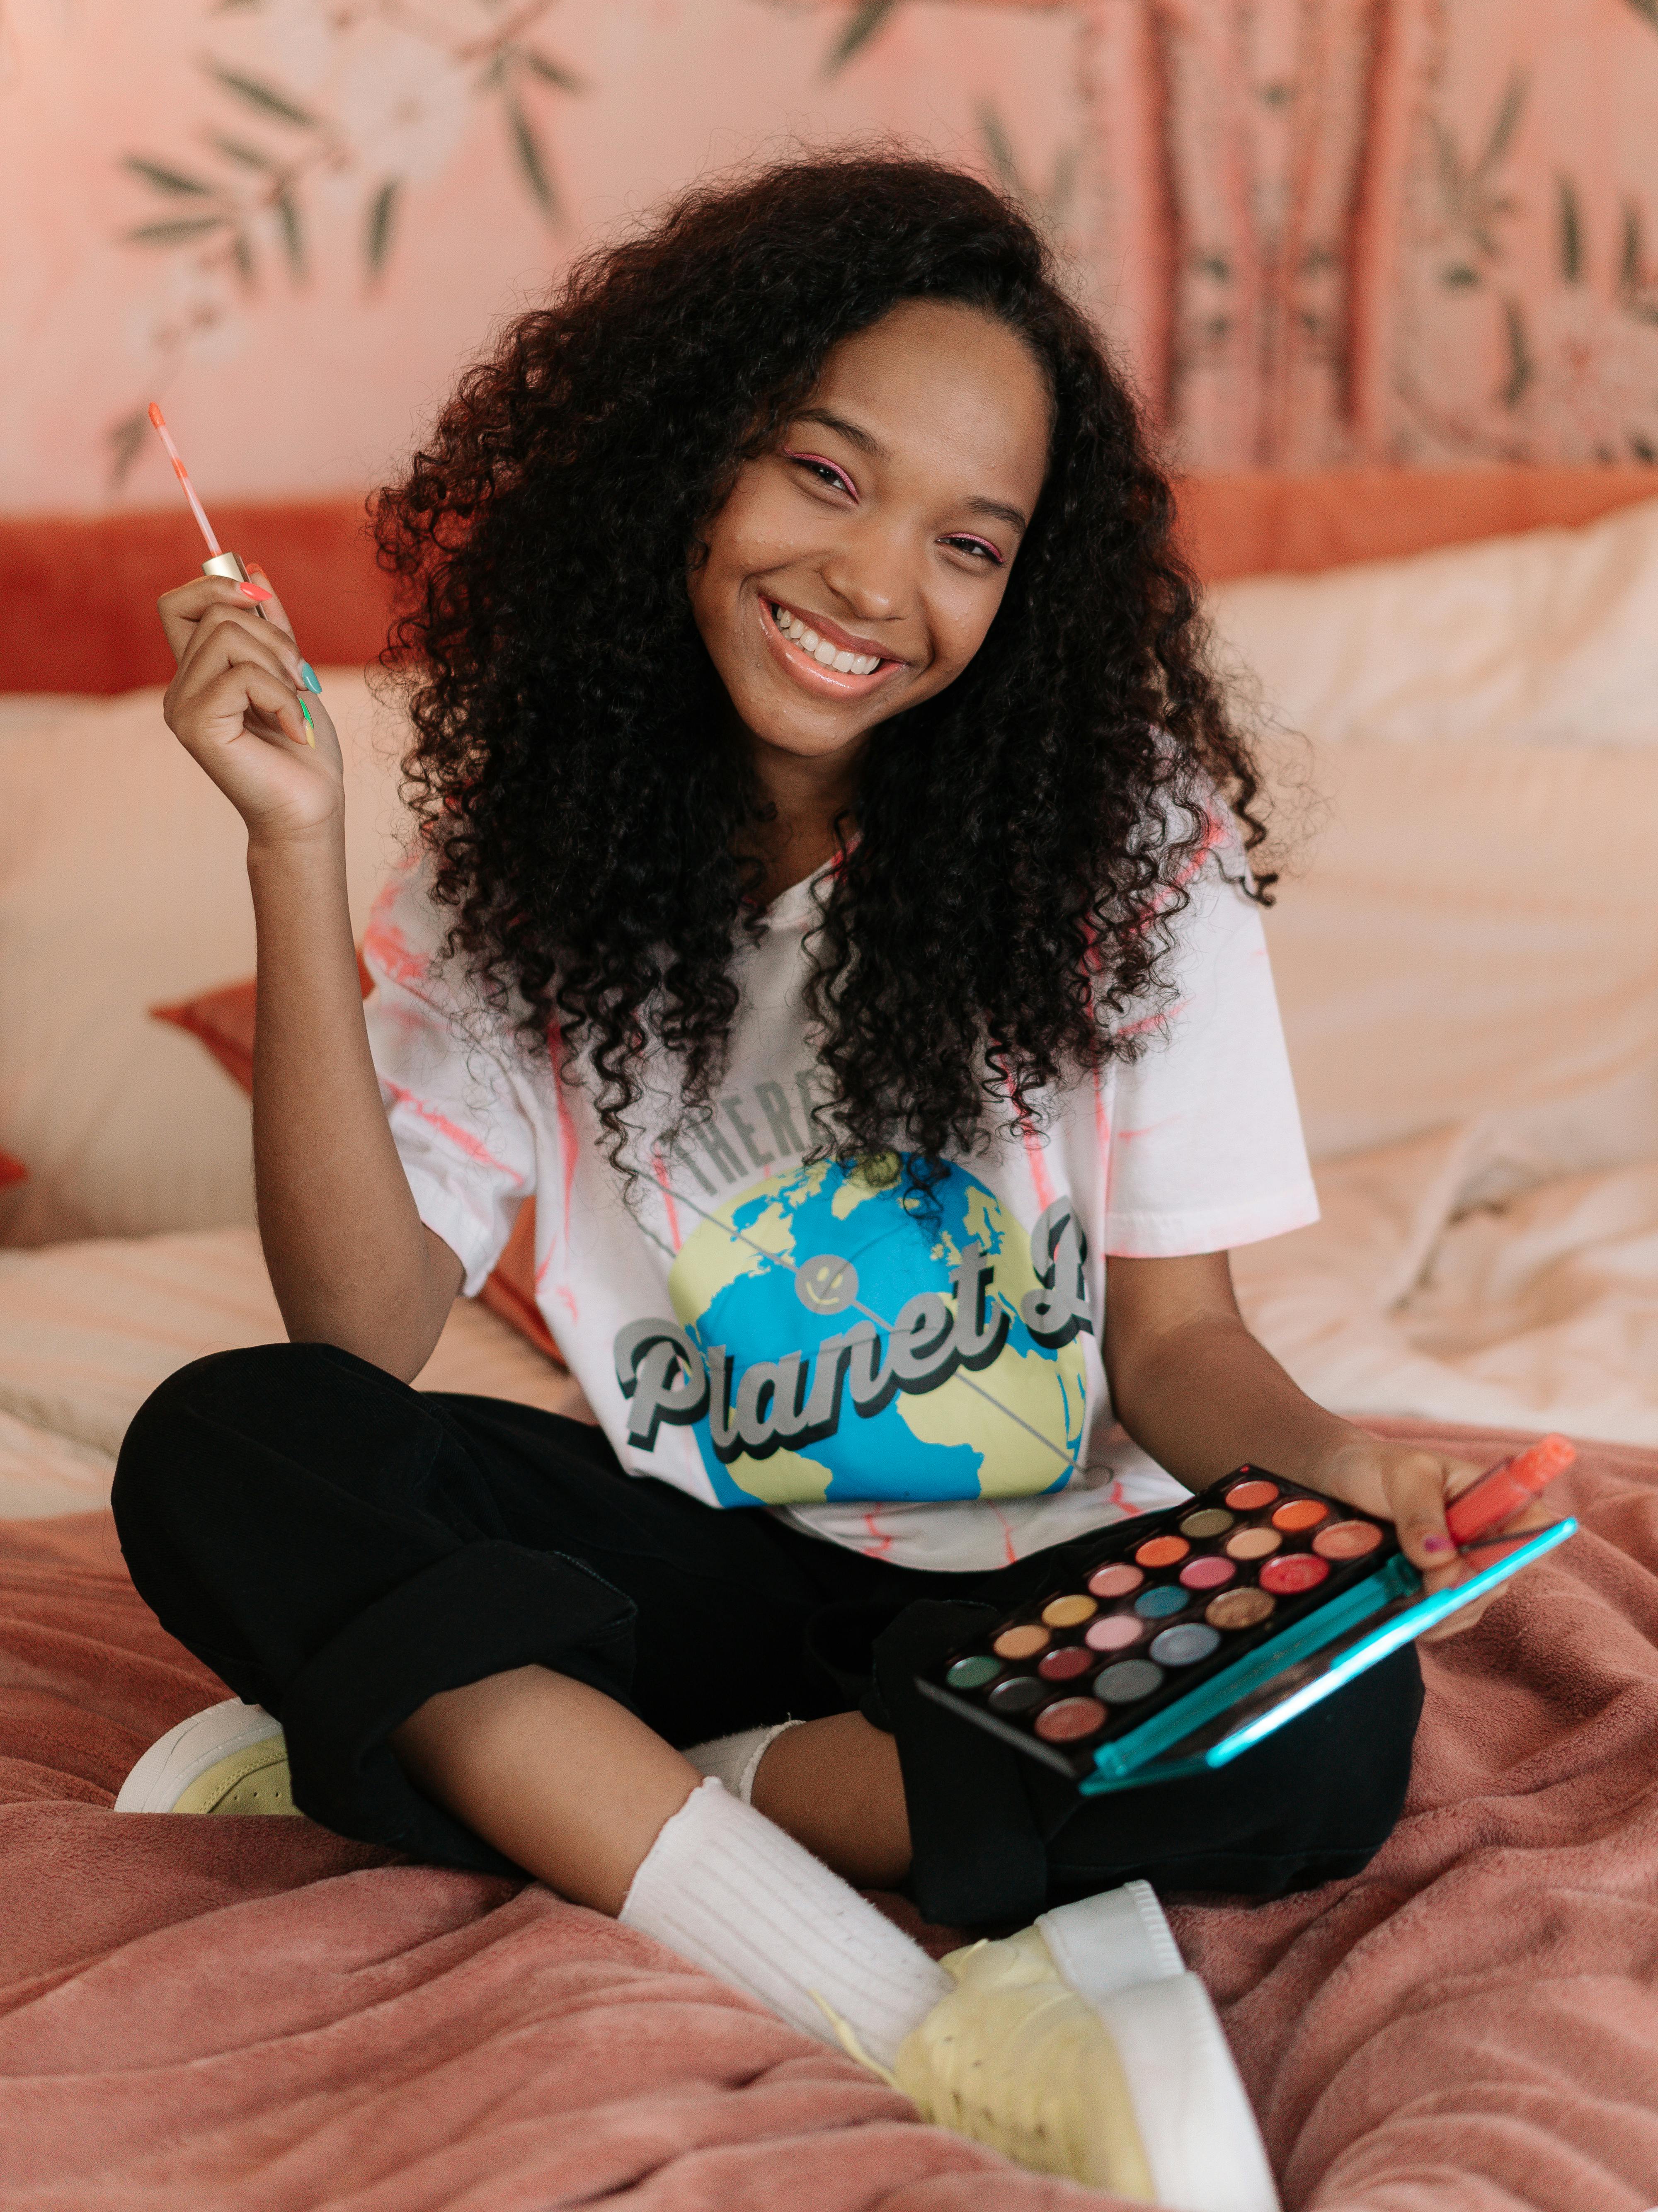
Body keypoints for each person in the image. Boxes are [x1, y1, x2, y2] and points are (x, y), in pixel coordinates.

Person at [111, 155, 1505, 2202]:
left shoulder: (1129, 861)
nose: (878, 585)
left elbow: (1181, 1343)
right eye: (825, 478)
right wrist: (291, 851)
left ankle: (566, 1775)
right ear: (689, 457)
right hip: (690, 1567)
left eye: (968, 541)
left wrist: (1322, 1469)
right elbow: (363, 1323)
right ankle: (871, 1984)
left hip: (1040, 1595)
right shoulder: (522, 875)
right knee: (233, 1440)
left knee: (1321, 1733)